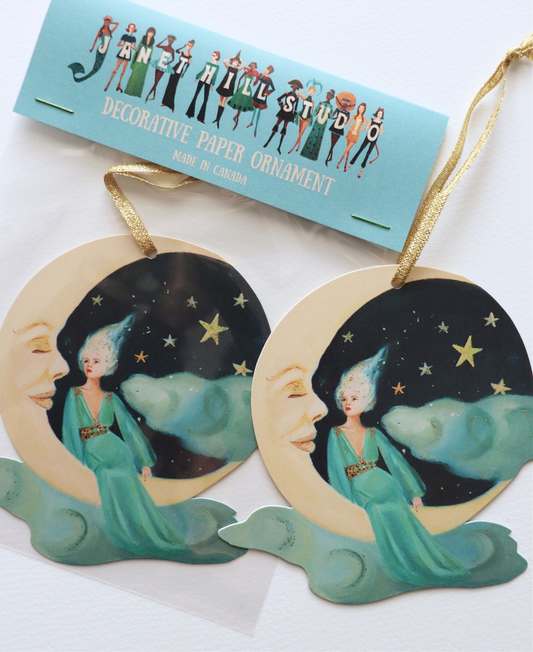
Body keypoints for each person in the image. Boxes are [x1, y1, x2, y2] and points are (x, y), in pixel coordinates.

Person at [327, 347, 469, 586]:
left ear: (365, 401)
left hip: (387, 486)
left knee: (404, 520)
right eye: (344, 399)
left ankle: (428, 565)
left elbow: (395, 461)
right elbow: (336, 471)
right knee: (380, 514)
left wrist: (413, 492)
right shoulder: (336, 434)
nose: (348, 403)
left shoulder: (373, 433)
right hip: (362, 492)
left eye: (354, 398)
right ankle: (403, 566)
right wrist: (344, 502)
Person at [61, 316, 190, 557]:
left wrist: (144, 462)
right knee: (108, 481)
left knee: (130, 487)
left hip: (117, 451)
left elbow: (130, 430)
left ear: (107, 365)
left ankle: (145, 535)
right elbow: (70, 431)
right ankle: (120, 533)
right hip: (92, 453)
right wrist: (74, 463)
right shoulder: (74, 394)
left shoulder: (111, 398)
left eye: (96, 361)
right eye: (86, 360)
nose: (90, 365)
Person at [68, 16, 119, 83]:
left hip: (105, 51)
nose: (107, 23)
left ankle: (80, 78)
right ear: (104, 22)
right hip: (100, 50)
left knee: (97, 69)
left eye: (108, 22)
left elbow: (117, 24)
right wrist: (92, 48)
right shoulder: (101, 31)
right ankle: (79, 78)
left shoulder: (110, 32)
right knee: (95, 68)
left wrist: (111, 22)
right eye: (106, 21)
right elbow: (95, 40)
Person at [264, 79, 304, 154]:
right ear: (292, 86)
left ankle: (279, 147)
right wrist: (281, 105)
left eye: (296, 86)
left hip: (289, 113)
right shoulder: (287, 93)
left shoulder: (296, 97)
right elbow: (279, 99)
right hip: (283, 111)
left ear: (297, 88)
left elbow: (295, 107)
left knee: (284, 128)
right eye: (294, 86)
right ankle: (268, 142)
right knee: (276, 125)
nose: (294, 87)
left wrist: (294, 115)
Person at [347, 107, 384, 178]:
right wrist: (360, 130)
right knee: (360, 150)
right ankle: (351, 163)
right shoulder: (372, 120)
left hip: (374, 139)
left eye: (381, 114)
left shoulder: (381, 123)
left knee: (368, 153)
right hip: (368, 137)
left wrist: (378, 131)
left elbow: (382, 132)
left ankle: (362, 168)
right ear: (376, 113)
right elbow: (367, 127)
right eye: (379, 113)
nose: (380, 115)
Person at [300, 89, 335, 161]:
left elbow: (330, 117)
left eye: (329, 95)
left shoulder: (331, 106)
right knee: (312, 136)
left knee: (318, 138)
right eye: (327, 94)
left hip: (323, 124)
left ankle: (313, 156)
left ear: (331, 97)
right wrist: (318, 111)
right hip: (317, 122)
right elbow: (315, 113)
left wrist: (329, 115)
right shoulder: (321, 103)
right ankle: (305, 153)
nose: (327, 96)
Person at [186, 51, 221, 123]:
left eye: (214, 55)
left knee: (205, 99)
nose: (212, 56)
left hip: (208, 82)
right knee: (196, 95)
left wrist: (212, 84)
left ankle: (201, 118)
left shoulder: (217, 67)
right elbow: (203, 71)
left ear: (217, 57)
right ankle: (190, 113)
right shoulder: (207, 63)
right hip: (201, 79)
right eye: (212, 54)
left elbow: (214, 76)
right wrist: (197, 77)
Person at [160, 40, 195, 112]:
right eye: (188, 44)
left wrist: (183, 74)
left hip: (179, 72)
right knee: (169, 85)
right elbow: (176, 51)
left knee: (174, 87)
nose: (189, 46)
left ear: (192, 47)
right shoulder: (182, 52)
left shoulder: (190, 57)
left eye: (190, 45)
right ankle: (164, 102)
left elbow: (187, 66)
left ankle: (171, 106)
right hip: (174, 70)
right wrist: (183, 46)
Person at [213, 52, 245, 128]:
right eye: (234, 62)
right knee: (220, 101)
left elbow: (244, 66)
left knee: (223, 102)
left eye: (236, 62)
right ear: (232, 62)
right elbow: (223, 61)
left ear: (238, 64)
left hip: (229, 87)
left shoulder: (237, 70)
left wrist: (240, 59)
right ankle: (217, 118)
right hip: (223, 85)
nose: (235, 63)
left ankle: (218, 119)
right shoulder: (229, 68)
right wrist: (231, 57)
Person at [288, 82, 321, 154]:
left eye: (313, 92)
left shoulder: (313, 102)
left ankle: (293, 147)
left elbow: (312, 112)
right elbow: (298, 93)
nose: (311, 92)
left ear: (314, 92)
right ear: (309, 91)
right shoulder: (304, 97)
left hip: (307, 118)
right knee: (299, 132)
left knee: (301, 133)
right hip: (301, 116)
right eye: (310, 91)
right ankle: (298, 146)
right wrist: (305, 90)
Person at [104, 23, 137, 93]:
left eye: (133, 28)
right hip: (123, 51)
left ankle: (119, 83)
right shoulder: (124, 36)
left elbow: (135, 48)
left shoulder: (133, 38)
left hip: (128, 52)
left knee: (123, 69)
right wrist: (123, 45)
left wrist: (131, 47)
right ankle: (108, 83)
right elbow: (118, 44)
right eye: (131, 27)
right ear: (128, 28)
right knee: (116, 67)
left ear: (134, 29)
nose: (132, 29)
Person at [124, 27, 157, 98]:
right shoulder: (142, 41)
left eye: (152, 33)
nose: (150, 34)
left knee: (140, 79)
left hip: (144, 66)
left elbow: (149, 57)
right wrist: (133, 62)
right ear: (147, 32)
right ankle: (128, 92)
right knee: (133, 78)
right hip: (137, 63)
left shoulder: (152, 46)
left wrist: (147, 65)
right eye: (150, 32)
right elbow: (136, 52)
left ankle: (137, 93)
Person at [228, 61, 259, 130]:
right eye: (251, 65)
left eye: (254, 66)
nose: (252, 67)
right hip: (242, 89)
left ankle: (236, 118)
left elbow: (256, 79)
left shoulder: (255, 73)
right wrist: (237, 87)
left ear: (255, 67)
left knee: (242, 104)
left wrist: (256, 81)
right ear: (250, 65)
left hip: (248, 90)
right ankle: (236, 119)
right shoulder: (246, 71)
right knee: (239, 103)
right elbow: (240, 79)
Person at [246, 65, 275, 137]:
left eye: (266, 70)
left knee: (259, 112)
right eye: (265, 69)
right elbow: (257, 78)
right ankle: (251, 122)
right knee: (254, 109)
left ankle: (255, 129)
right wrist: (260, 74)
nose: (265, 70)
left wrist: (268, 92)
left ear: (269, 72)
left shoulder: (270, 80)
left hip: (263, 96)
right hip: (257, 94)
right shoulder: (263, 77)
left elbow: (273, 89)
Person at [145, 36, 176, 102]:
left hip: (164, 66)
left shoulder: (172, 50)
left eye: (172, 40)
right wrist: (164, 39)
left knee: (156, 81)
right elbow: (157, 45)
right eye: (169, 40)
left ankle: (148, 95)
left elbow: (173, 59)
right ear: (168, 40)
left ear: (173, 42)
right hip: (159, 63)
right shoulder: (164, 47)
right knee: (155, 81)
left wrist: (167, 63)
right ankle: (153, 96)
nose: (170, 41)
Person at [337, 102, 367, 171]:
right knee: (348, 149)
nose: (360, 109)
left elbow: (364, 127)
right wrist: (350, 127)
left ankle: (340, 162)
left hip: (356, 135)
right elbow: (348, 121)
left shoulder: (364, 118)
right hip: (350, 133)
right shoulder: (355, 115)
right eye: (360, 107)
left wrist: (359, 130)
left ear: (364, 110)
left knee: (347, 149)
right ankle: (344, 164)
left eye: (362, 108)